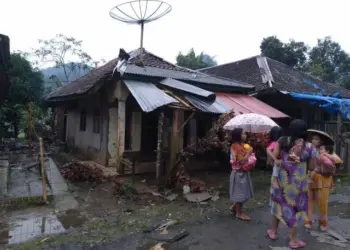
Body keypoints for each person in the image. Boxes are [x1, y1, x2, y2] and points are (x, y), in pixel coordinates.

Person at [267, 120, 317, 249]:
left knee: (278, 205)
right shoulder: (310, 147)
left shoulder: (283, 140)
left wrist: (278, 161)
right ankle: (293, 240)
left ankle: (273, 231)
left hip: (281, 182)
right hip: (299, 184)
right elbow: (312, 166)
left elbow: (275, 156)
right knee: (296, 209)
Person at [304, 133, 341, 231]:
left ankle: (323, 222)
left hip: (323, 178)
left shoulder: (325, 150)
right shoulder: (308, 149)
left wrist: (325, 154)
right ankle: (308, 220)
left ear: (321, 141)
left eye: (316, 139)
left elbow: (338, 160)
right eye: (313, 139)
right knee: (309, 200)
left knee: (322, 202)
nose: (314, 141)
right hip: (310, 176)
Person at [229, 128, 255, 221]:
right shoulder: (234, 147)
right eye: (243, 133)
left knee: (244, 192)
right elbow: (240, 160)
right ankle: (239, 213)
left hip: (244, 172)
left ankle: (234, 208)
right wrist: (248, 153)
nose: (245, 135)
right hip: (238, 174)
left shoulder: (244, 145)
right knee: (240, 193)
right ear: (238, 135)